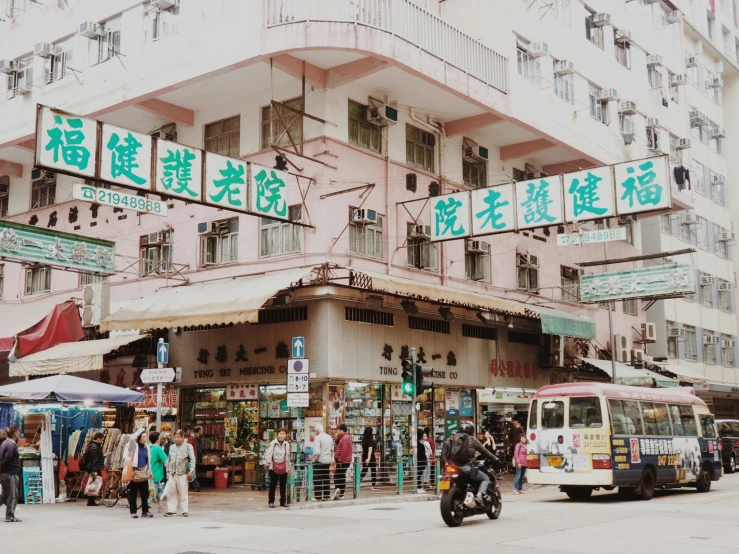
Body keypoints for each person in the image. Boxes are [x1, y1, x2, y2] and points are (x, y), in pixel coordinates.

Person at [448, 422, 499, 506]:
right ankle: (479, 496)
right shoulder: (472, 439)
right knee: (485, 478)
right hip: (467, 467)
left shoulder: (454, 438)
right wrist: (495, 459)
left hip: (453, 467)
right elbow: (485, 452)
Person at [164, 430, 195, 517]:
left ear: (182, 437)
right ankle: (171, 510)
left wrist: (191, 471)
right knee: (171, 492)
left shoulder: (188, 446)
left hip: (183, 473)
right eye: (175, 437)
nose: (176, 439)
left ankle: (185, 510)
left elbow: (192, 460)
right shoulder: (172, 447)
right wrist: (167, 472)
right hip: (172, 472)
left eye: (178, 437)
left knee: (183, 492)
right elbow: (169, 460)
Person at [125, 428, 153, 519]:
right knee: (133, 493)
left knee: (145, 493)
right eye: (144, 437)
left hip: (144, 472)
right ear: (139, 437)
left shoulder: (147, 447)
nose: (145, 438)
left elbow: (148, 460)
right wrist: (140, 430)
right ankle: (133, 511)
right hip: (135, 471)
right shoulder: (134, 445)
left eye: (146, 437)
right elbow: (132, 438)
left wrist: (149, 471)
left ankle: (145, 511)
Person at [264, 428, 290, 508]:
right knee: (273, 485)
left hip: (283, 467)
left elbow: (287, 456)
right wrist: (267, 464)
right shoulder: (273, 443)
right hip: (274, 466)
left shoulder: (287, 444)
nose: (282, 435)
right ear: (277, 434)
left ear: (286, 435)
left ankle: (283, 501)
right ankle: (271, 501)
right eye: (280, 433)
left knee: (283, 485)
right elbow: (269, 454)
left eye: (283, 433)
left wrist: (288, 467)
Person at [0, 426, 21, 522]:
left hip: (5, 473)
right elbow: (7, 459)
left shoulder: (5, 443)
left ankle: (10, 515)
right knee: (13, 495)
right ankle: (9, 516)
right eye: (18, 431)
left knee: (4, 495)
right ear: (14, 433)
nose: (19, 432)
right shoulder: (11, 445)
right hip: (10, 473)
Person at [311, 424, 333, 501]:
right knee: (326, 478)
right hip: (327, 460)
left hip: (320, 461)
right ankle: (326, 496)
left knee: (317, 479)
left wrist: (313, 460)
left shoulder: (318, 438)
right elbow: (332, 449)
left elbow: (317, 452)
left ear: (317, 431)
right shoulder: (329, 437)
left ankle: (318, 496)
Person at [149, 432, 169, 512]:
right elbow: (166, 460)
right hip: (156, 473)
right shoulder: (158, 448)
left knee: (158, 490)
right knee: (153, 491)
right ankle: (146, 505)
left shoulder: (148, 447)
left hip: (149, 472)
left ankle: (160, 505)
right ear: (157, 439)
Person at [85, 432, 105, 506]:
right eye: (102, 439)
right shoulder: (94, 446)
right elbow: (94, 459)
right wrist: (94, 470)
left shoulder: (94, 446)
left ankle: (91, 501)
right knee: (93, 483)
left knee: (94, 483)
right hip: (94, 468)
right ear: (99, 438)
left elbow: (96, 458)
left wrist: (103, 456)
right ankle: (91, 501)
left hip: (94, 468)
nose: (102, 441)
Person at [333, 424, 353, 500]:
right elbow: (338, 447)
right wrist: (337, 439)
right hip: (342, 461)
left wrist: (340, 460)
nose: (336, 431)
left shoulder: (345, 438)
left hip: (343, 461)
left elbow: (344, 451)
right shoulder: (342, 438)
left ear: (341, 430)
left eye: (338, 430)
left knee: (338, 475)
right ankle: (339, 492)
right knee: (340, 476)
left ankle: (339, 491)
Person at [187, 426, 203, 492]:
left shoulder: (198, 438)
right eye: (202, 430)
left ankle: (194, 485)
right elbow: (190, 448)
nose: (202, 431)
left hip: (197, 457)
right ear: (199, 431)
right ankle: (196, 486)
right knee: (193, 472)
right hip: (193, 457)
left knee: (195, 471)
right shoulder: (193, 438)